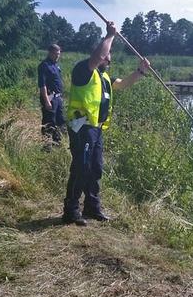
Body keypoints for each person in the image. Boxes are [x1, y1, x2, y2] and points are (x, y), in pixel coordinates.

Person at [62, 21, 150, 226]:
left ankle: (92, 207)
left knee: (96, 168)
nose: (109, 58)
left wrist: (141, 71)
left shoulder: (105, 78)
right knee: (81, 168)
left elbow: (124, 84)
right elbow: (99, 56)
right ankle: (71, 209)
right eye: (107, 55)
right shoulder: (83, 71)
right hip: (82, 127)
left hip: (97, 129)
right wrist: (110, 35)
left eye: (109, 57)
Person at [38, 43, 65, 148]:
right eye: (55, 54)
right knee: (49, 122)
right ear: (49, 53)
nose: (57, 56)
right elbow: (42, 85)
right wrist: (46, 101)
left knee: (60, 121)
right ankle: (47, 146)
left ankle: (57, 143)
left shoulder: (55, 65)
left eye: (59, 54)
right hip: (50, 98)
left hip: (58, 98)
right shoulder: (44, 65)